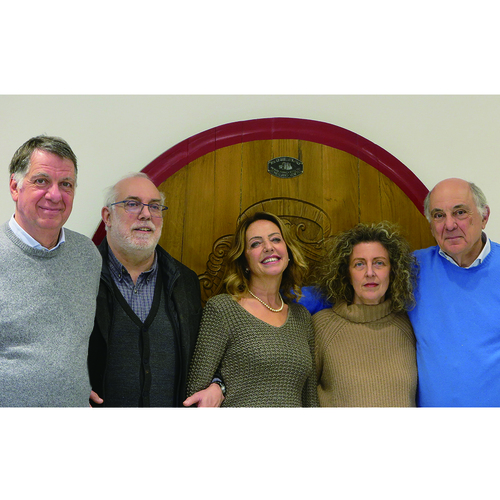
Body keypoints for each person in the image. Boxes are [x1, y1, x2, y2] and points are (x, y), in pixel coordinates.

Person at [88, 172, 223, 407]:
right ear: (107, 217)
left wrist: (218, 386)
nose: (146, 214)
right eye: (132, 204)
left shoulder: (185, 281)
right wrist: (67, 391)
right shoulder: (81, 276)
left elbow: (206, 352)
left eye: (155, 206)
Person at [0, 135, 101, 407]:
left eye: (66, 184)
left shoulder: (87, 255)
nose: (55, 195)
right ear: (15, 187)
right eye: (41, 181)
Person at [184, 211, 319, 407]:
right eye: (256, 243)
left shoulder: (302, 317)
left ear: (288, 252)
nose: (268, 247)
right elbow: (196, 393)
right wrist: (219, 387)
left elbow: (310, 399)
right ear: (244, 261)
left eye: (275, 239)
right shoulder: (223, 309)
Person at [408, 177, 500, 407]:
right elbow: (351, 289)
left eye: (460, 212)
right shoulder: (412, 269)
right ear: (431, 224)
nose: (449, 225)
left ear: (485, 217)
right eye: (439, 215)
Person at [312, 221, 418, 407]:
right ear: (347, 273)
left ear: (392, 271)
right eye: (359, 264)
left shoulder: (409, 324)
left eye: (379, 263)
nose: (370, 273)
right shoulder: (322, 326)